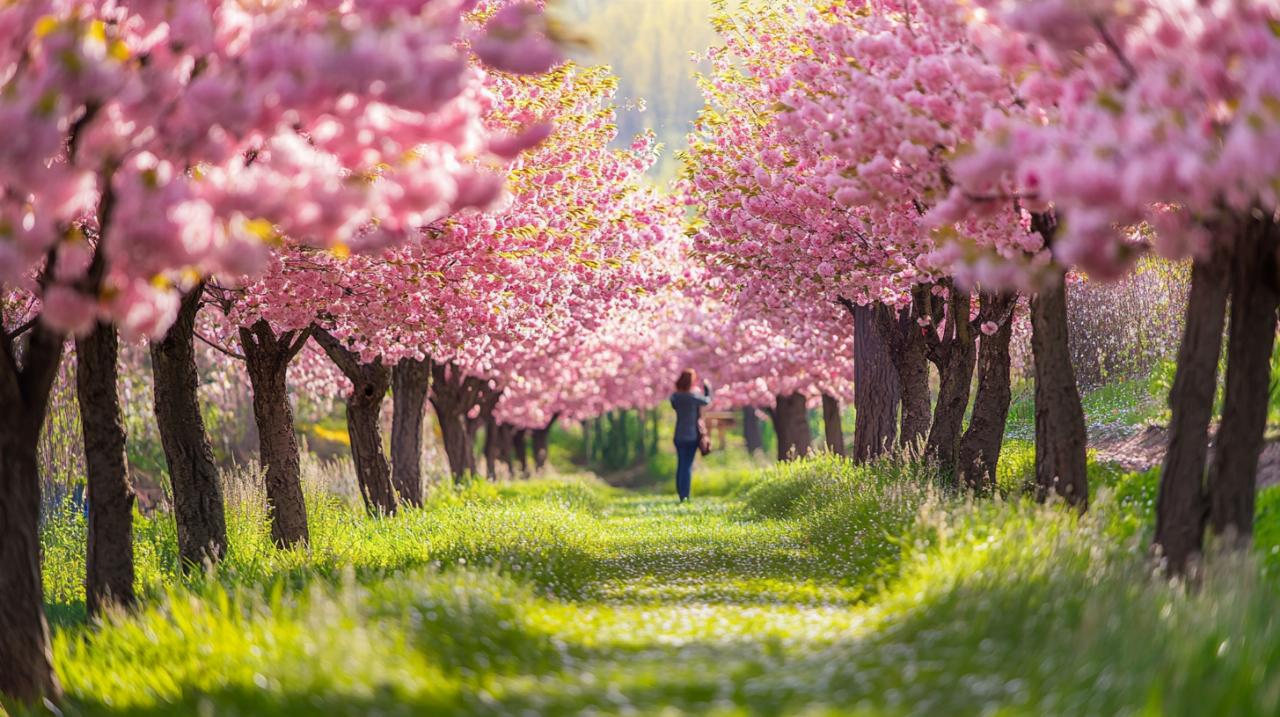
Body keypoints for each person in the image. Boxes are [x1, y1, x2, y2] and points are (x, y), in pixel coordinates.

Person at [670, 368, 712, 502]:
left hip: (679, 435)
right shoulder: (693, 397)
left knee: (681, 464)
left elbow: (674, 404)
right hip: (692, 436)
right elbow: (706, 401)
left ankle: (680, 492)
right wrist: (707, 389)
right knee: (687, 465)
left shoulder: (675, 397)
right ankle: (685, 495)